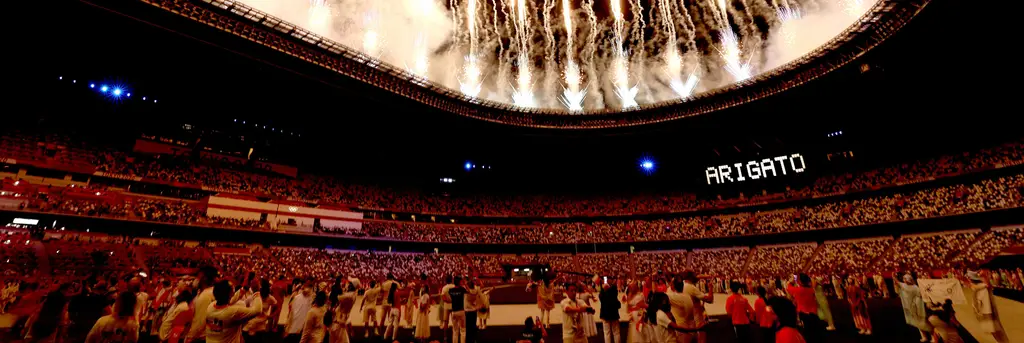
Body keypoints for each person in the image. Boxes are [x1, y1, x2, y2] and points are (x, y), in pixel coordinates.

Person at [967, 271, 1008, 343]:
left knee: (995, 330)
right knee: (994, 330)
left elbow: (980, 299)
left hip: (987, 312)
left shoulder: (981, 288)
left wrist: (977, 309)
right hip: (987, 312)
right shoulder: (978, 287)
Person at [897, 274, 934, 343]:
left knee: (924, 322)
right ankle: (924, 336)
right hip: (913, 307)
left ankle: (933, 337)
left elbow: (920, 295)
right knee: (918, 323)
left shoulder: (915, 287)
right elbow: (900, 284)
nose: (904, 280)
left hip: (919, 306)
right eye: (904, 279)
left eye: (905, 279)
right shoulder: (905, 286)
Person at [786, 274, 822, 343]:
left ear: (801, 282)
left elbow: (788, 288)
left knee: (807, 330)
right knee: (814, 329)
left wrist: (790, 282)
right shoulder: (810, 289)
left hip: (803, 312)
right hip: (813, 312)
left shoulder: (799, 290)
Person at [186, 266, 217, 343]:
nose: (196, 280)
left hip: (201, 337)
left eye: (198, 277)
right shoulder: (211, 292)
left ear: (204, 278)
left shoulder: (206, 295)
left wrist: (190, 336)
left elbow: (200, 320)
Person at [681, 271, 712, 343]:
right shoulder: (691, 288)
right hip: (696, 317)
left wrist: (703, 276)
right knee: (701, 336)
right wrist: (710, 288)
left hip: (685, 318)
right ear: (691, 278)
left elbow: (694, 278)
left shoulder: (680, 284)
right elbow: (710, 300)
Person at [445, 276, 468, 343]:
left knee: (455, 330)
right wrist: (465, 283)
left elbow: (447, 298)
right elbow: (469, 291)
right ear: (459, 282)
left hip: (454, 312)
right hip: (461, 311)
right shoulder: (462, 289)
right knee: (463, 330)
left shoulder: (451, 290)